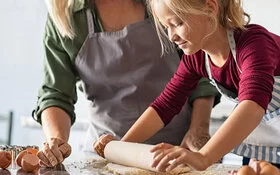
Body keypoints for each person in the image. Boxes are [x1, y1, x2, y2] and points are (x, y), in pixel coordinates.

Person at [94, 0, 280, 172]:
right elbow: (166, 105)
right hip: (267, 142)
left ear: (210, 8)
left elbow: (252, 106)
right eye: (166, 27)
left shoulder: (255, 44)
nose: (171, 36)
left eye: (177, 23)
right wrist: (122, 148)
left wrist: (203, 156)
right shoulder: (197, 58)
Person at [32, 0, 220, 167]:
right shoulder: (67, 18)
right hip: (106, 155)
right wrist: (56, 141)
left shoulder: (165, 5)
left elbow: (202, 70)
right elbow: (56, 94)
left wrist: (199, 130)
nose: (171, 36)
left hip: (177, 151)